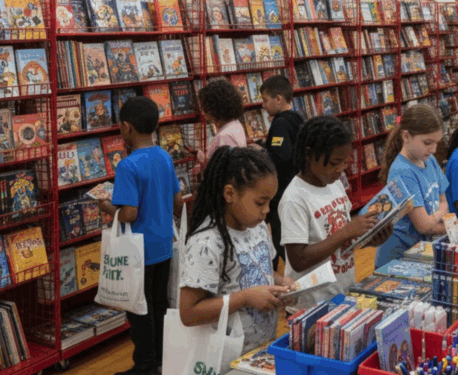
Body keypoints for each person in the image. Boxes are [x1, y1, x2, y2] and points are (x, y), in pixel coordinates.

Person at [179, 147, 294, 358]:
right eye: (260, 202)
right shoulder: (207, 242)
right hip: (224, 358)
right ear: (230, 194)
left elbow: (263, 272)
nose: (267, 210)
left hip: (260, 350)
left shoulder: (258, 227)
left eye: (270, 202)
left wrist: (280, 283)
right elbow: (188, 313)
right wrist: (245, 298)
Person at [97, 97, 184, 375]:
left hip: (138, 251)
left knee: (138, 308)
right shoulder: (164, 156)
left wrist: (108, 207)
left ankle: (144, 364)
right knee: (159, 303)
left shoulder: (127, 165)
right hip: (163, 245)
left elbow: (129, 214)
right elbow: (178, 200)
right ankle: (160, 360)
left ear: (127, 128)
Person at [280, 116, 390, 311]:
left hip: (342, 291)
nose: (340, 170)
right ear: (309, 154)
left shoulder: (335, 184)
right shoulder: (294, 199)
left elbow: (342, 240)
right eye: (334, 163)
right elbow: (298, 260)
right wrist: (347, 232)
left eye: (344, 164)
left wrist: (371, 238)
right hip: (310, 305)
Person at [376, 104, 448, 268]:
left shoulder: (429, 160)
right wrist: (441, 216)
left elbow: (444, 200)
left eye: (436, 143)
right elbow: (423, 225)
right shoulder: (402, 171)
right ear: (406, 136)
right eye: (427, 142)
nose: (433, 149)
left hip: (419, 251)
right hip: (398, 257)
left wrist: (436, 217)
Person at [260, 75, 304, 271]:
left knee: (280, 237)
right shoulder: (297, 117)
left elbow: (280, 155)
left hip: (282, 190)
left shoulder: (279, 123)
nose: (263, 105)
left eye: (265, 100)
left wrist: (262, 154)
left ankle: (286, 276)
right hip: (296, 186)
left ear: (278, 99)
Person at [197, 80, 248, 163]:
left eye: (204, 108)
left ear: (213, 109)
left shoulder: (224, 136)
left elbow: (224, 169)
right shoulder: (235, 123)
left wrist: (204, 161)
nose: (203, 113)